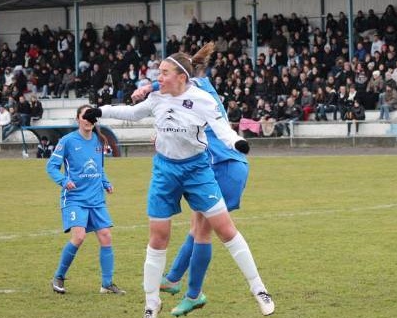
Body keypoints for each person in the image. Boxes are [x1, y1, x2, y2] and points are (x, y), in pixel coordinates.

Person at [83, 43, 274, 318]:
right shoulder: (158, 96)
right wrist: (99, 111)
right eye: (158, 72)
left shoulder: (203, 98)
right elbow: (133, 112)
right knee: (158, 237)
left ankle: (258, 288)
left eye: (163, 73)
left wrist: (238, 142)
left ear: (182, 77)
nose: (157, 78)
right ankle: (151, 304)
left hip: (197, 170)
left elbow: (222, 129)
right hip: (164, 171)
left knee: (225, 230)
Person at [46, 105, 125, 296]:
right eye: (84, 116)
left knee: (106, 236)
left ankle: (107, 284)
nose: (88, 119)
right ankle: (58, 276)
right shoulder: (67, 141)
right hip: (75, 198)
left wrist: (106, 183)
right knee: (79, 236)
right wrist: (64, 181)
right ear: (78, 119)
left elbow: (99, 167)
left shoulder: (99, 140)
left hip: (96, 198)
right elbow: (51, 167)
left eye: (91, 116)